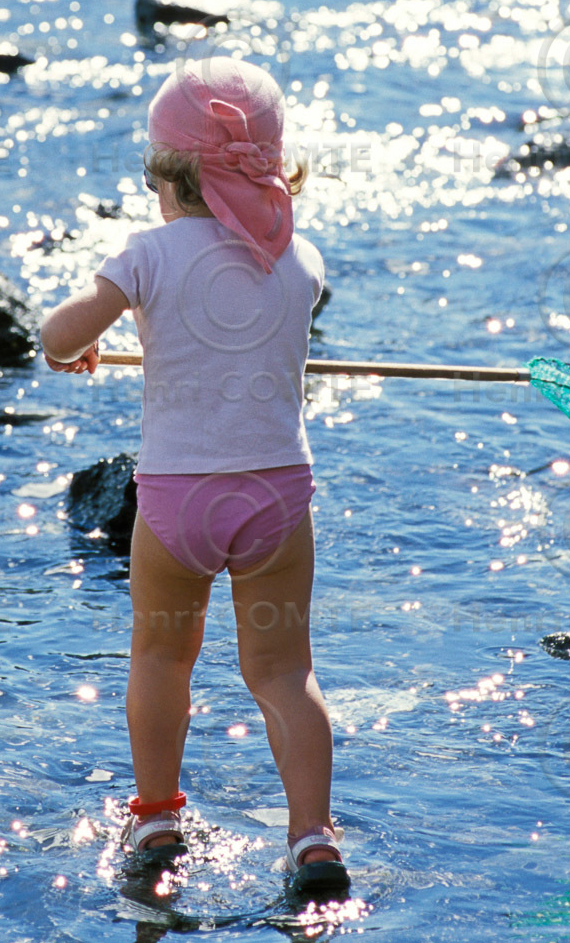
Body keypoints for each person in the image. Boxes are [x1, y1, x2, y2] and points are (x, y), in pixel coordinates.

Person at [40, 57, 348, 895]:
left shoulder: (144, 255)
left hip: (178, 502)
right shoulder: (303, 262)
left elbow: (58, 337)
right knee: (284, 672)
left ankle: (157, 814)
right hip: (277, 499)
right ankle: (313, 837)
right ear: (276, 166)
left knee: (161, 656)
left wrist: (84, 341)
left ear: (160, 172)